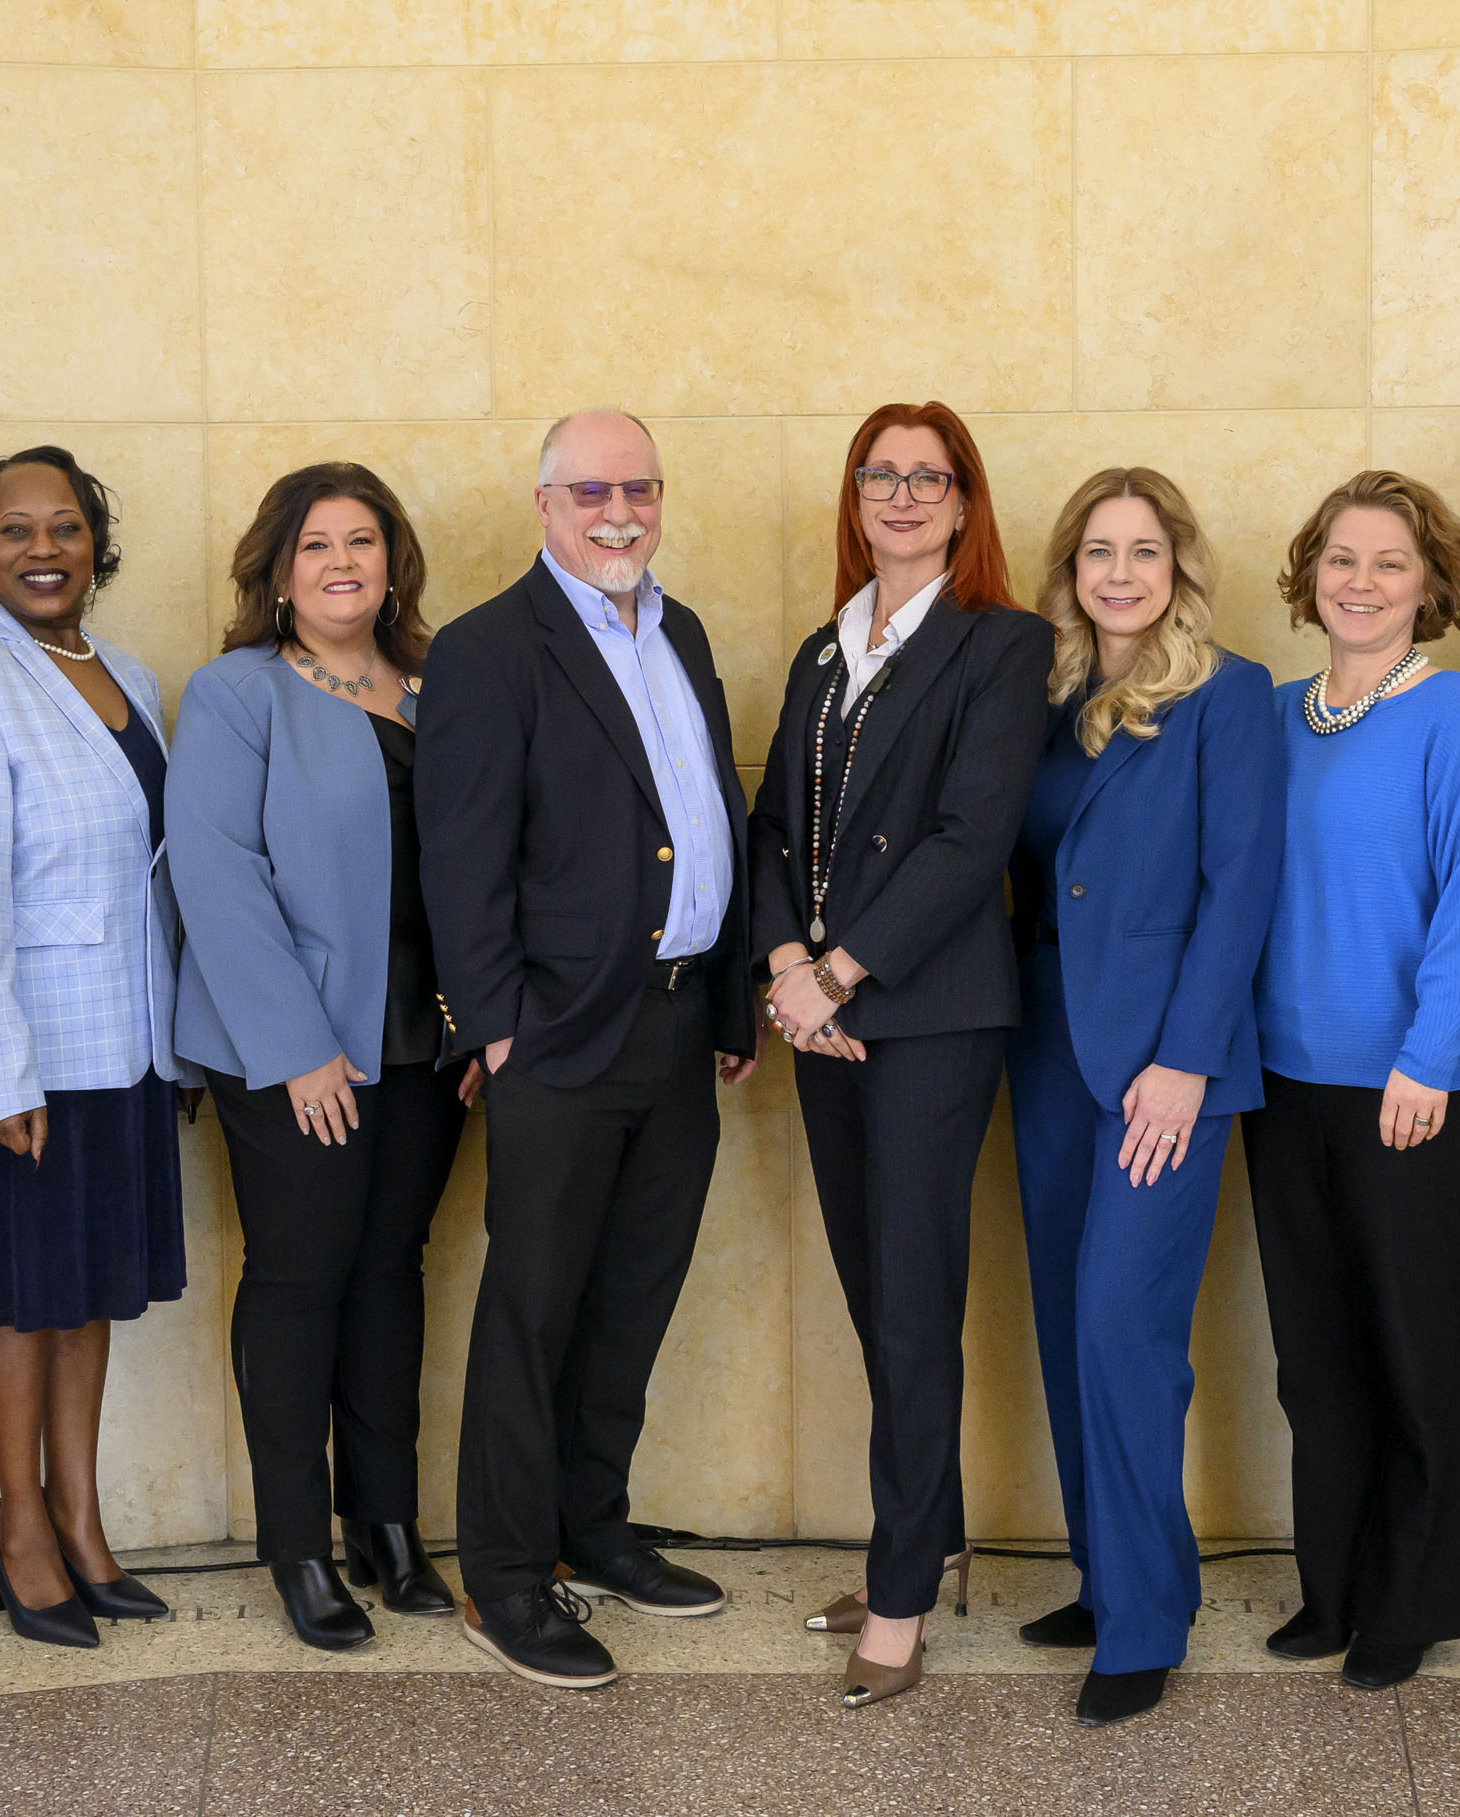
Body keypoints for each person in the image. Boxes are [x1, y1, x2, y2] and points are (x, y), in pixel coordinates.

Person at [416, 408, 760, 1690]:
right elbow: (459, 858)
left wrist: (729, 1005)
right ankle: (504, 1576)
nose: (620, 513)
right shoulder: (487, 647)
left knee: (633, 1293)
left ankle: (591, 1525)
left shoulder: (683, 630)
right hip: (557, 1035)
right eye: (593, 492)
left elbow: (711, 812)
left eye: (641, 489)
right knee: (533, 1306)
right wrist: (496, 1026)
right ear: (546, 504)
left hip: (676, 1023)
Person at [748, 404, 1051, 1709]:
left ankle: (902, 1592)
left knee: (916, 1299)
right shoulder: (825, 648)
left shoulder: (1001, 643)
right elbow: (771, 826)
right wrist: (784, 965)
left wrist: (840, 970)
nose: (904, 493)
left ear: (966, 502)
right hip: (817, 1012)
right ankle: (924, 1538)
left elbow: (970, 837)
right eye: (882, 473)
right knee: (877, 1292)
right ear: (855, 495)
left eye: (932, 476)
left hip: (925, 1011)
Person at [172, 462, 475, 1651]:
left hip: (423, 1039)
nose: (341, 562)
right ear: (277, 571)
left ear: (392, 563)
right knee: (302, 1278)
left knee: (393, 1271)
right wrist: (295, 1048)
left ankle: (386, 1526)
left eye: (362, 540)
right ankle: (299, 1545)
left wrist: (480, 1019)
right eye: (315, 545)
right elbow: (215, 873)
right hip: (291, 1043)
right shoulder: (237, 691)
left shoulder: (441, 686)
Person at [1242, 472, 1460, 1693]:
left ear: (1430, 585)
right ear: (1310, 573)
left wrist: (1427, 1055)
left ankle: (1409, 1603)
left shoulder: (1456, 717)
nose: (1358, 582)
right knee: (1313, 1359)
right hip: (1282, 1083)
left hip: (1420, 1088)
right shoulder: (1273, 716)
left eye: (1388, 563)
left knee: (1411, 1351)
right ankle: (1332, 1590)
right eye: (1341, 559)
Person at [0, 446, 188, 1650]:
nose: (43, 549)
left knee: (86, 1297)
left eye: (64, 525)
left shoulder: (131, 674)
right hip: (23, 1058)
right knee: (21, 1302)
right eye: (14, 530)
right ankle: (19, 1525)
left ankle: (81, 1516)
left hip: (124, 1045)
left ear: (94, 542)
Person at [1005, 468, 1282, 1730]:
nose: (1120, 574)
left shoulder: (1226, 694)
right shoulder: (1045, 693)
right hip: (1047, 1043)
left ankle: (1145, 1619)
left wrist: (1185, 1058)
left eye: (1144, 551)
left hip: (1168, 1062)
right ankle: (1106, 1574)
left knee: (1125, 1325)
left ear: (1178, 567)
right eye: (1098, 552)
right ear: (1069, 569)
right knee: (1069, 1318)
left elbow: (1240, 887)